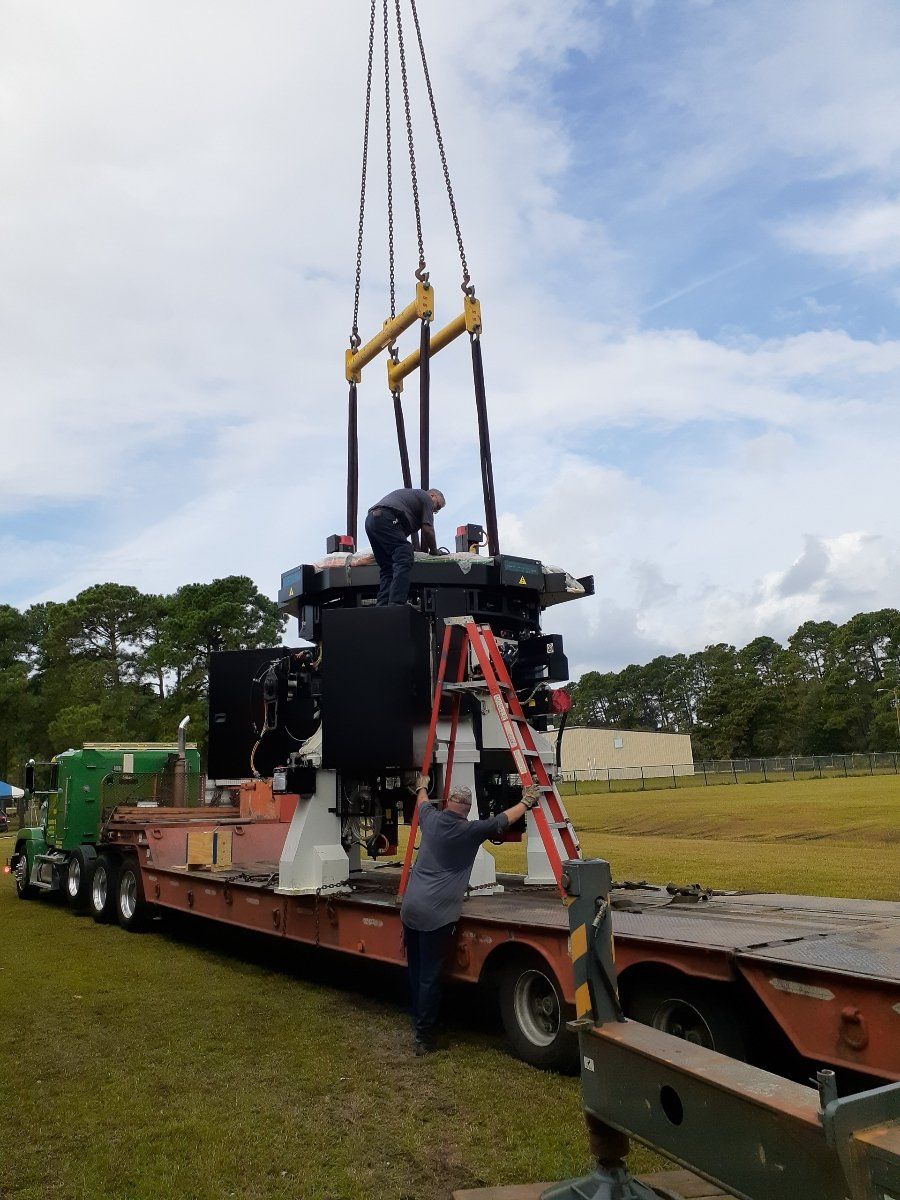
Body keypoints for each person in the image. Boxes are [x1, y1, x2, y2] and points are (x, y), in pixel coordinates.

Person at [401, 776, 541, 1056]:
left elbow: (423, 802)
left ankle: (420, 1023)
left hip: (411, 908)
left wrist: (421, 785)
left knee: (416, 973)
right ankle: (424, 1037)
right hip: (436, 916)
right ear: (467, 810)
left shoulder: (430, 819)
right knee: (429, 977)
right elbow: (502, 820)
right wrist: (527, 801)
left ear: (449, 803)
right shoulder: (470, 831)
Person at [365, 486, 446, 606]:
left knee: (388, 567)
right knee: (405, 552)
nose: (434, 510)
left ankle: (382, 605)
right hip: (387, 516)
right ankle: (396, 603)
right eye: (437, 506)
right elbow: (427, 529)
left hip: (371, 521)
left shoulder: (410, 500)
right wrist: (434, 550)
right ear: (433, 496)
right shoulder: (425, 498)